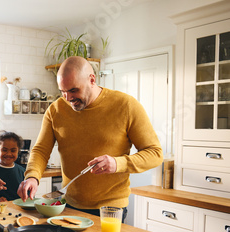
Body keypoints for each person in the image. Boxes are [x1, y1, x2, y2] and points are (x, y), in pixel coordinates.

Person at [17, 56, 163, 220]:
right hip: (69, 205)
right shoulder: (56, 110)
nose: (67, 98)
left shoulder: (126, 106)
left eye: (73, 90)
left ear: (92, 79)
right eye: (62, 91)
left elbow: (155, 153)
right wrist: (32, 176)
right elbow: (41, 151)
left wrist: (117, 163)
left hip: (110, 210)